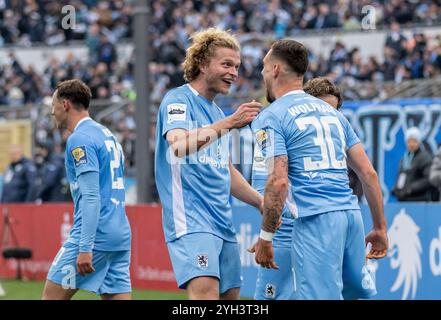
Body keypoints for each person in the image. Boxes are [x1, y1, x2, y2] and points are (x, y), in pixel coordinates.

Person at [249, 39, 388, 300]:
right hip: (350, 216)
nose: (262, 73)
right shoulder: (333, 113)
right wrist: (380, 228)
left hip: (316, 219)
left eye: (264, 67)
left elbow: (278, 182)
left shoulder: (272, 116)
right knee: (355, 294)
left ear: (276, 69)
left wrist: (266, 236)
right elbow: (368, 174)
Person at [154, 28, 263, 300]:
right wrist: (230, 123)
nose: (234, 73)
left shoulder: (216, 112)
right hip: (191, 220)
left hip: (222, 222)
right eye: (226, 64)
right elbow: (178, 145)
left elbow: (225, 171)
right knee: (205, 297)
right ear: (202, 64)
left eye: (237, 66)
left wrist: (261, 202)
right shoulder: (178, 100)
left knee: (231, 299)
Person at [42, 79, 132, 300]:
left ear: (65, 104)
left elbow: (91, 196)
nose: (51, 112)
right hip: (119, 234)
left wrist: (85, 247)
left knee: (51, 298)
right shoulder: (108, 135)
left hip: (94, 235)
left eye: (53, 105)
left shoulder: (80, 139)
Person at [391, 127, 434, 202]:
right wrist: (396, 189)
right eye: (409, 141)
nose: (411, 144)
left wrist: (410, 189)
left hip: (419, 201)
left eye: (414, 141)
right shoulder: (404, 159)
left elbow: (427, 179)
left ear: (419, 142)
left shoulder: (425, 157)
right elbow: (401, 176)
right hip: (403, 201)